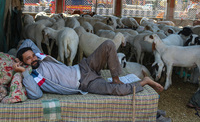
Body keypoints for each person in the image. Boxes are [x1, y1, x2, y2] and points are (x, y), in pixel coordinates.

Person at [13, 39, 163, 99]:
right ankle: (145, 81)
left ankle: (116, 78)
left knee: (109, 44)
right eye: (29, 59)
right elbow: (36, 95)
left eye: (32, 55)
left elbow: (28, 41)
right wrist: (22, 71)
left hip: (83, 66)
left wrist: (18, 55)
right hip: (85, 83)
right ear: (24, 64)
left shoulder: (38, 57)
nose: (33, 59)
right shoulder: (33, 76)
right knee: (120, 91)